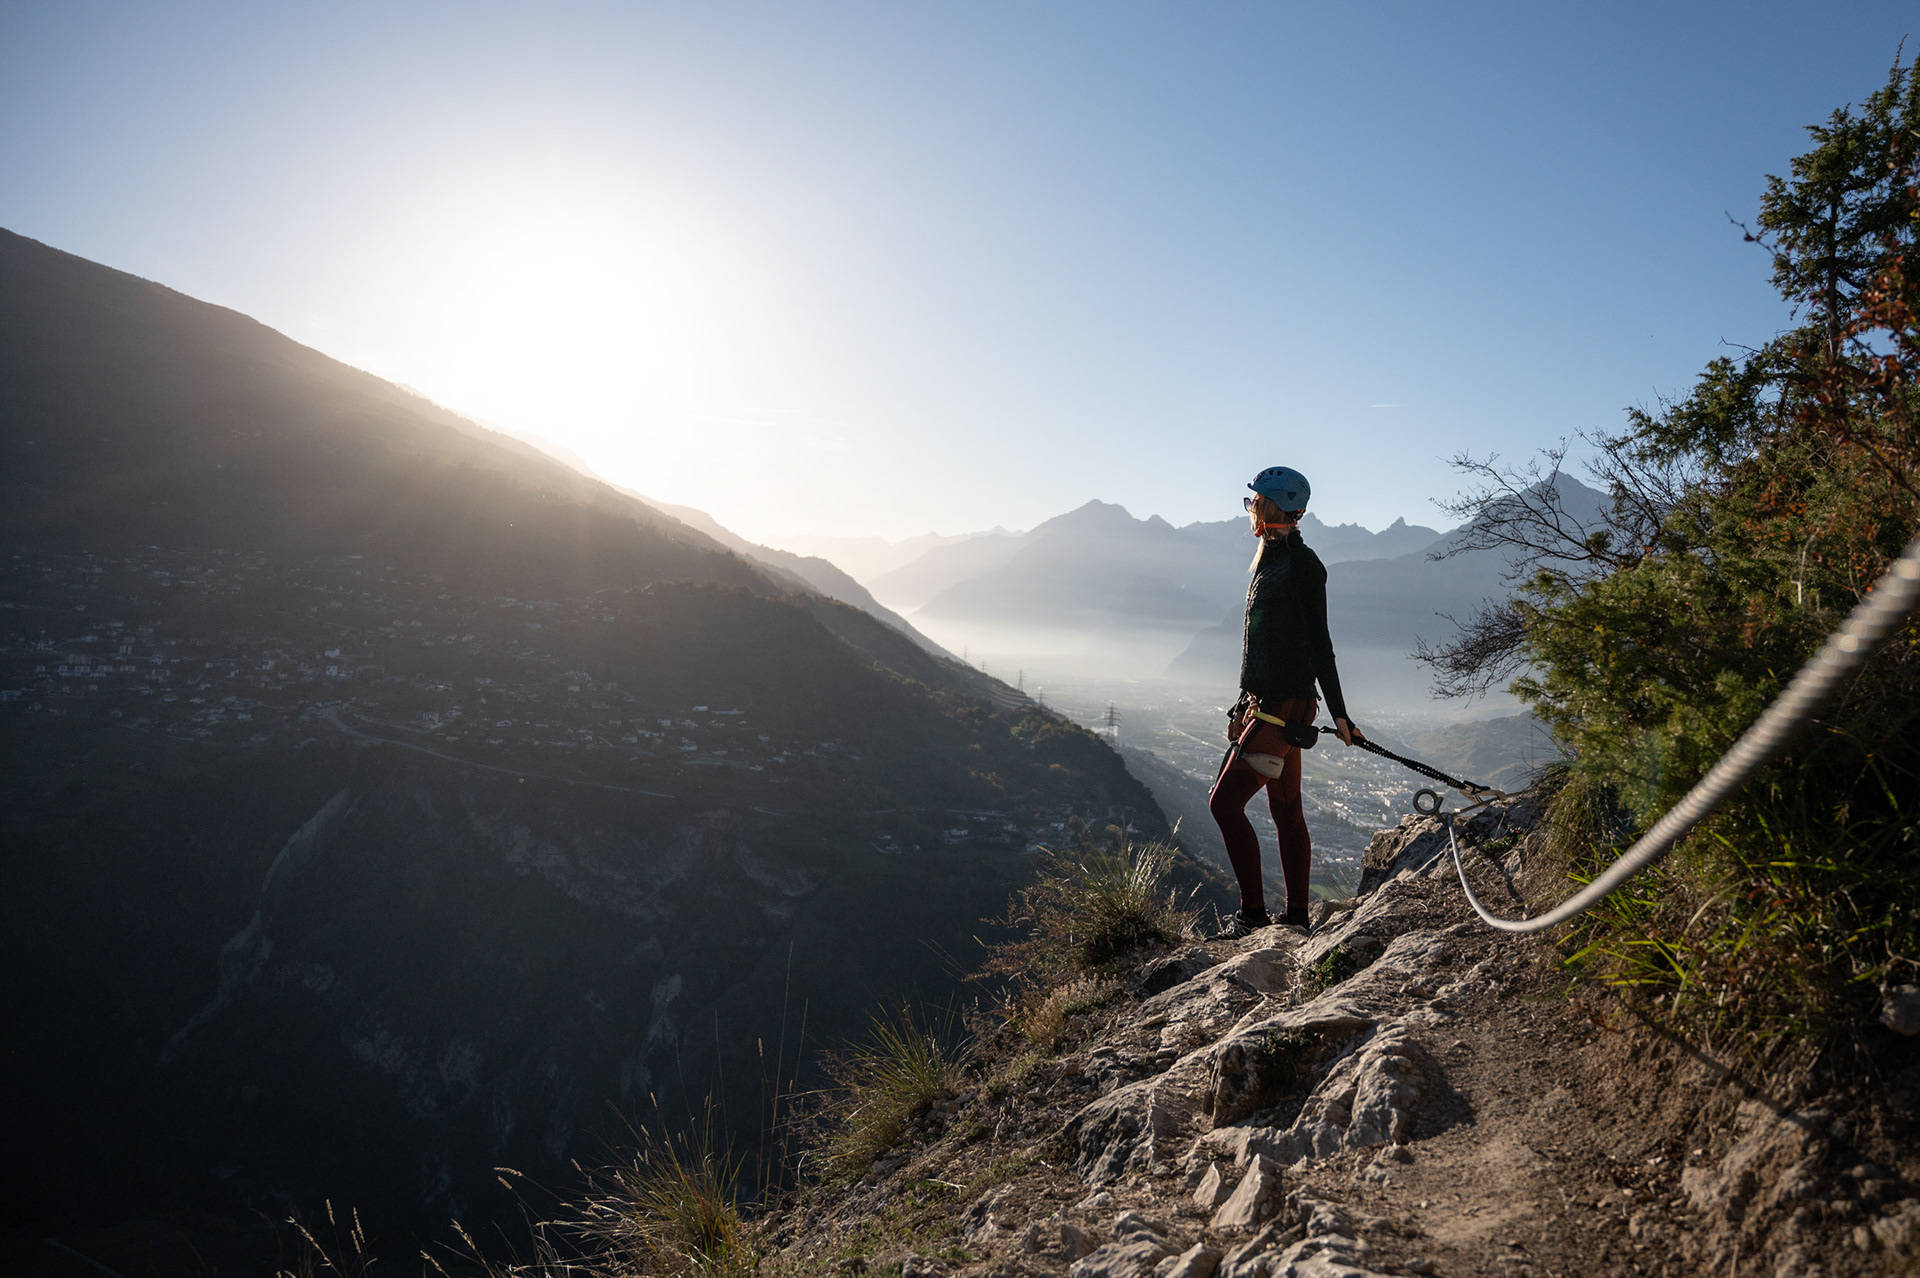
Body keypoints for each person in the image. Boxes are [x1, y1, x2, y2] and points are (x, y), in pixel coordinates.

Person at [1208, 465, 1364, 936]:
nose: (1249, 508)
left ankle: (1252, 916)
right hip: (1273, 703)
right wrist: (1242, 701)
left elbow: (1321, 645)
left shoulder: (1301, 566)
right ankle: (1296, 917)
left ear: (1269, 507)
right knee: (1286, 810)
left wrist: (1340, 713)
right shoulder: (1271, 559)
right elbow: (1259, 641)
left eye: (1253, 501)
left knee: (1223, 805)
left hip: (1283, 706)